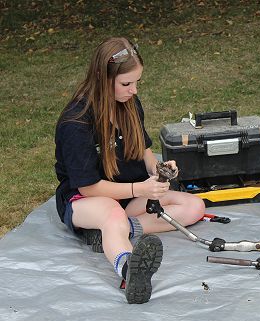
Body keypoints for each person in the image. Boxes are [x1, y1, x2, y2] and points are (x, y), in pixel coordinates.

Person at [54, 37, 205, 304]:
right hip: (86, 199)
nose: (133, 90)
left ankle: (116, 231)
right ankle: (129, 272)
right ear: (102, 78)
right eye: (127, 84)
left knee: (194, 207)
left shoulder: (129, 103)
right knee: (111, 213)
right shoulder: (75, 123)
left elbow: (144, 150)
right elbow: (89, 187)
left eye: (136, 83)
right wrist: (141, 189)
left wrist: (158, 169)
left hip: (129, 195)